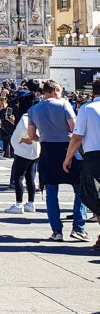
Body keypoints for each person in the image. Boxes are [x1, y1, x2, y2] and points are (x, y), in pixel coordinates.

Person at [27, 80, 87, 242]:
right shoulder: (64, 104)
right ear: (54, 90)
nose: (61, 94)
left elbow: (31, 135)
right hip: (68, 150)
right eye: (59, 91)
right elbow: (75, 129)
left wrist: (44, 138)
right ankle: (78, 228)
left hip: (47, 151)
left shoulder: (33, 109)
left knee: (51, 193)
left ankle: (57, 231)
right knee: (79, 189)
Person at [65, 79, 100, 248]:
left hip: (94, 157)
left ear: (93, 92)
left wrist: (68, 157)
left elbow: (77, 137)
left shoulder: (87, 108)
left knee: (92, 195)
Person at [6, 110, 40, 214]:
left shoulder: (27, 117)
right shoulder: (39, 116)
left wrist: (26, 139)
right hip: (34, 152)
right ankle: (30, 203)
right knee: (30, 177)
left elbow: (25, 129)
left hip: (24, 150)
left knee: (18, 177)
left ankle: (19, 204)